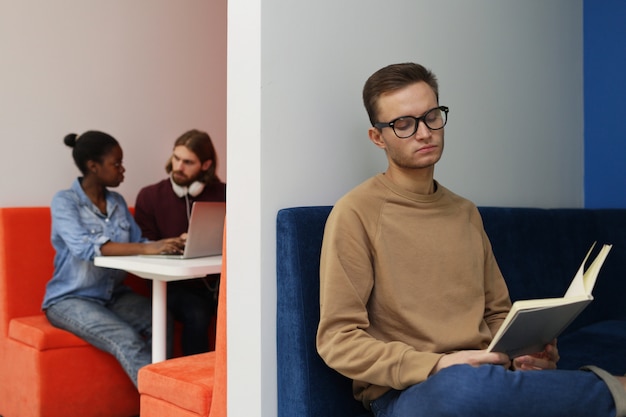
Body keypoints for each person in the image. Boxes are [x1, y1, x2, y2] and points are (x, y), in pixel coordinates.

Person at [316, 63, 626, 417]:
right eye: (404, 124)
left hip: (487, 374)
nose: (424, 132)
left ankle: (545, 391)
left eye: (431, 116)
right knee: (462, 389)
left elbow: (497, 314)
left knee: (481, 386)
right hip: (412, 391)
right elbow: (337, 341)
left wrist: (526, 354)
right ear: (378, 137)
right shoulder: (356, 212)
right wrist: (437, 366)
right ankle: (612, 391)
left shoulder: (464, 211)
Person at [43, 131, 185, 387]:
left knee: (161, 318)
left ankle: (158, 398)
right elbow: (85, 248)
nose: (123, 170)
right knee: (126, 337)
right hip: (70, 299)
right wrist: (151, 249)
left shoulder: (117, 202)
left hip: (113, 296)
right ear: (93, 166)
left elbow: (139, 244)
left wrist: (169, 245)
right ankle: (164, 404)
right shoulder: (65, 202)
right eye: (116, 164)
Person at [134, 129, 226, 355]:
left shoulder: (223, 193)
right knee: (197, 312)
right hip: (172, 285)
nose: (179, 167)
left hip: (213, 282)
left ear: (205, 165)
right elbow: (144, 243)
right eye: (176, 158)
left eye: (188, 162)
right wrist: (171, 244)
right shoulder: (149, 195)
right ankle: (192, 381)